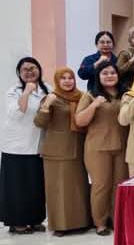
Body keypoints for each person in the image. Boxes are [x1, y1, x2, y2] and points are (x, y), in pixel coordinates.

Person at [33, 67, 91, 236]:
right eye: (63, 78)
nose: (67, 81)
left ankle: (81, 222)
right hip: (56, 152)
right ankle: (60, 226)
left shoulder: (81, 97)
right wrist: (46, 105)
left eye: (70, 78)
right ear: (57, 81)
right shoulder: (51, 98)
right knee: (58, 190)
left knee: (78, 188)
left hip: (78, 148)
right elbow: (39, 123)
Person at [75, 61, 128, 236]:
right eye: (105, 73)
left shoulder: (125, 94)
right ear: (98, 76)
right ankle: (100, 222)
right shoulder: (90, 95)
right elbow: (80, 121)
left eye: (112, 72)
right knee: (101, 186)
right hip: (98, 148)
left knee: (119, 185)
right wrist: (94, 105)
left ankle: (115, 218)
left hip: (122, 146)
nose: (109, 76)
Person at [0, 57, 49, 235]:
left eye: (33, 68)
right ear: (19, 73)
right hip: (16, 146)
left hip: (37, 145)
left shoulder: (47, 88)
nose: (29, 72)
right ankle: (17, 222)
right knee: (17, 186)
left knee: (36, 185)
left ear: (39, 69)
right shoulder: (14, 91)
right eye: (25, 69)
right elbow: (16, 113)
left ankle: (35, 219)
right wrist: (27, 92)